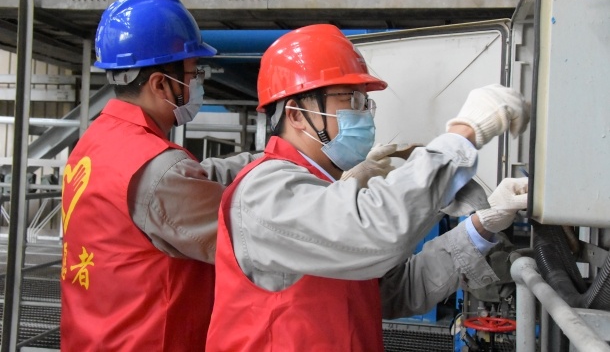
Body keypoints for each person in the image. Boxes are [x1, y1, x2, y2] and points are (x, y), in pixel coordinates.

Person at [206, 24, 530, 351]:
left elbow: (393, 291)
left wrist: (481, 227)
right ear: (297, 115)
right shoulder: (264, 191)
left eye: (365, 102)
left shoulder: (321, 190)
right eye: (351, 99)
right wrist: (464, 133)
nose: (365, 115)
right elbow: (377, 231)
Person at [60, 0, 257, 351]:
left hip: (93, 338)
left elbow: (182, 181)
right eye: (193, 73)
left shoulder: (97, 142)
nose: (198, 82)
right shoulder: (160, 170)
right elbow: (254, 239)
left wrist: (263, 162)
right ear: (160, 83)